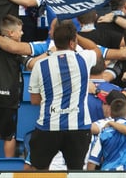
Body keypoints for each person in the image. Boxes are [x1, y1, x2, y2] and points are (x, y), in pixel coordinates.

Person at [27, 21, 94, 169]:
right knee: (75, 171)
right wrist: (76, 36)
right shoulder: (85, 58)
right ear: (72, 42)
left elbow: (35, 100)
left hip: (48, 126)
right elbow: (95, 49)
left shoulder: (40, 65)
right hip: (78, 127)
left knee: (38, 170)